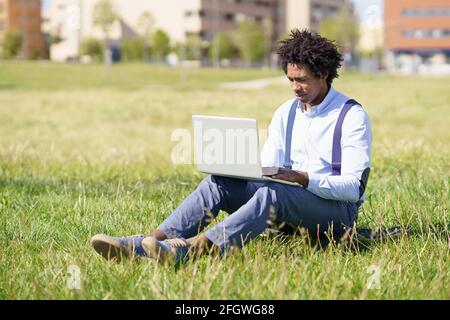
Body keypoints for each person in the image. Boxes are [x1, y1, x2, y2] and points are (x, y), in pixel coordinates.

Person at [90, 29, 372, 264]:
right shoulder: (285, 112)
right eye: (290, 80)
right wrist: (248, 171)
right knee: (219, 182)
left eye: (302, 80)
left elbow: (352, 189)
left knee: (274, 196)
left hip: (336, 216)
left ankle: (191, 250)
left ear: (323, 74)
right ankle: (149, 244)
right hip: (287, 206)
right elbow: (270, 171)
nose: (295, 87)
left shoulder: (351, 116)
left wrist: (302, 178)